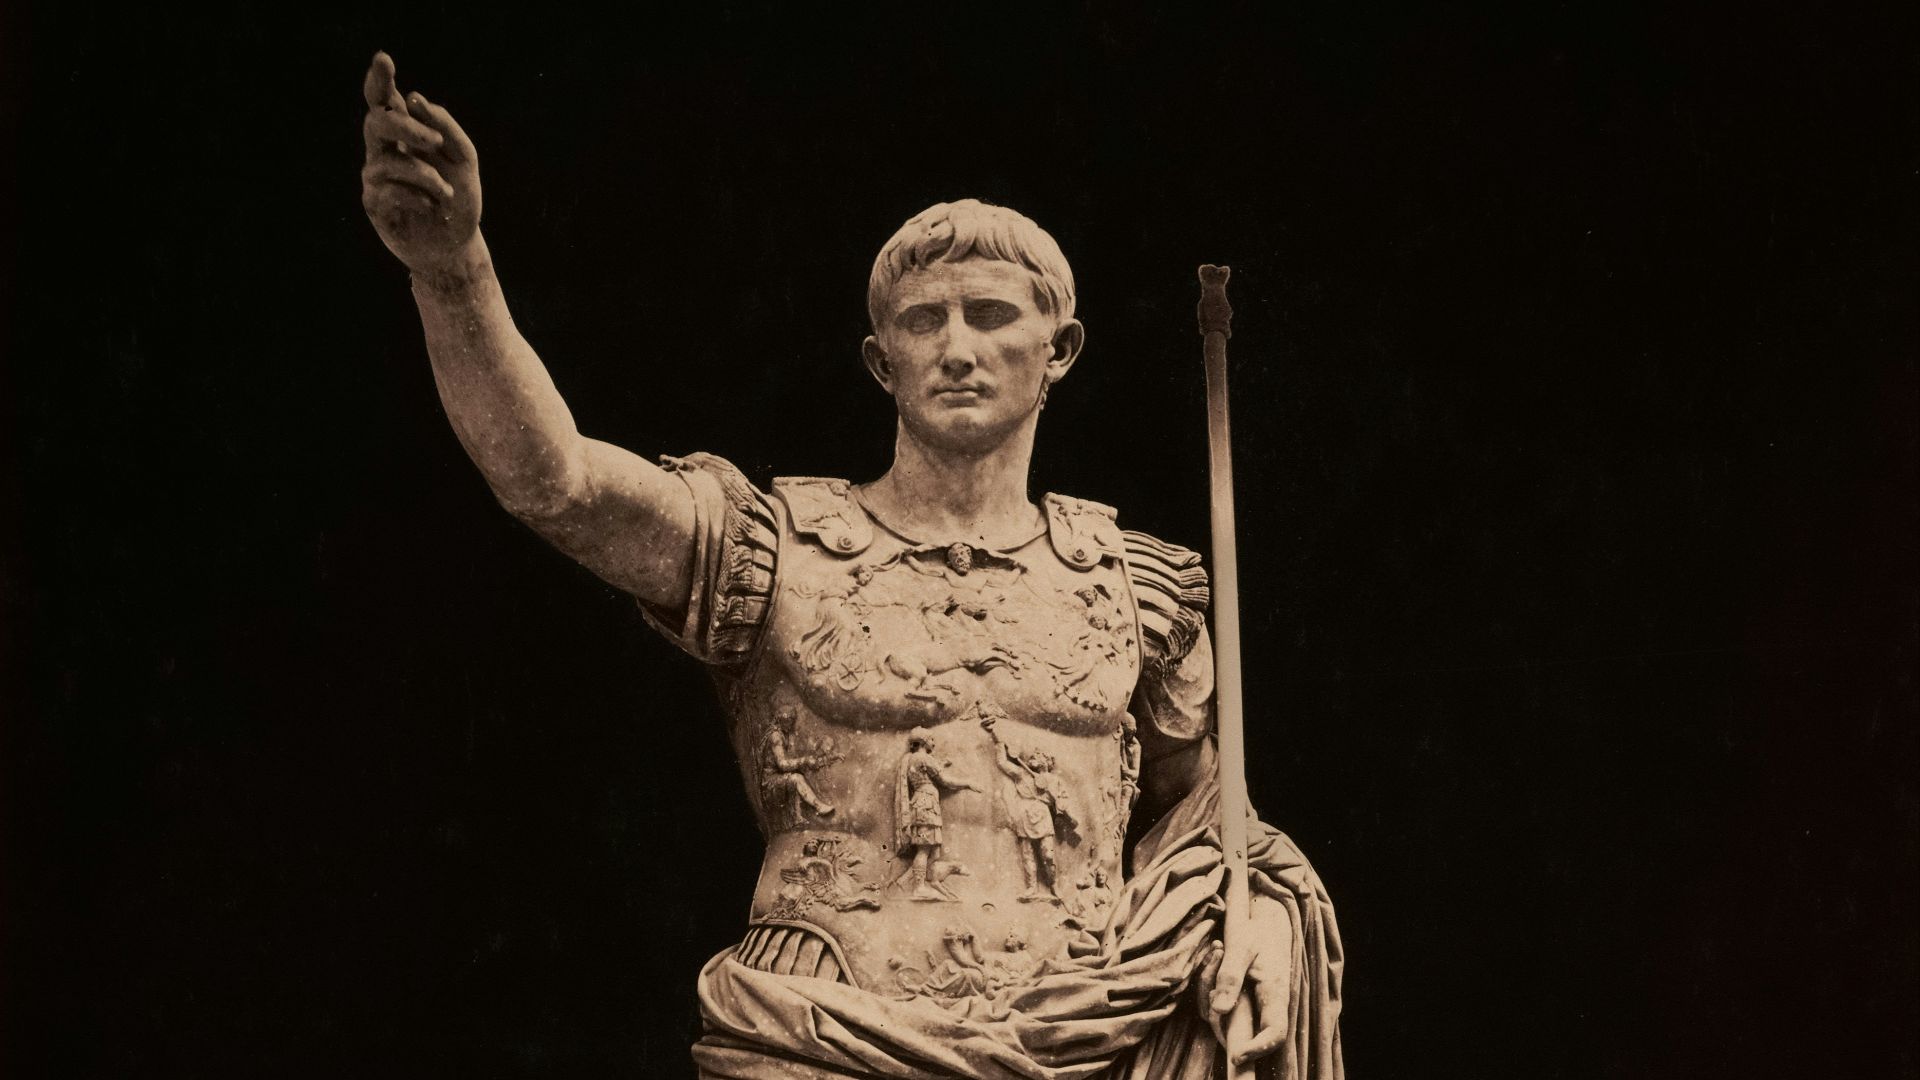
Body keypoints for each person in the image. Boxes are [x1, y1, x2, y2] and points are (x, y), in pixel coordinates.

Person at [360, 51, 1342, 1079]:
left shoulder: (1139, 589)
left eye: (993, 315)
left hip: (1083, 1038)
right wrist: (453, 269)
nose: (958, 348)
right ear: (883, 361)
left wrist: (1262, 918)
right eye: (925, 321)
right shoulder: (773, 549)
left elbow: (1213, 830)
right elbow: (553, 481)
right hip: (822, 1033)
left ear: (1061, 350)